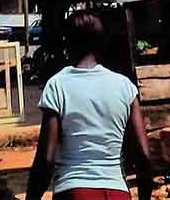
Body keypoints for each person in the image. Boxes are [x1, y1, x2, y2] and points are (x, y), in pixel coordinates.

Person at [25, 11, 152, 200]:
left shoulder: (58, 85)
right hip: (117, 191)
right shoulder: (125, 86)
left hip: (74, 190)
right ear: (101, 44)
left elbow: (46, 158)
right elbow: (143, 154)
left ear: (68, 43)